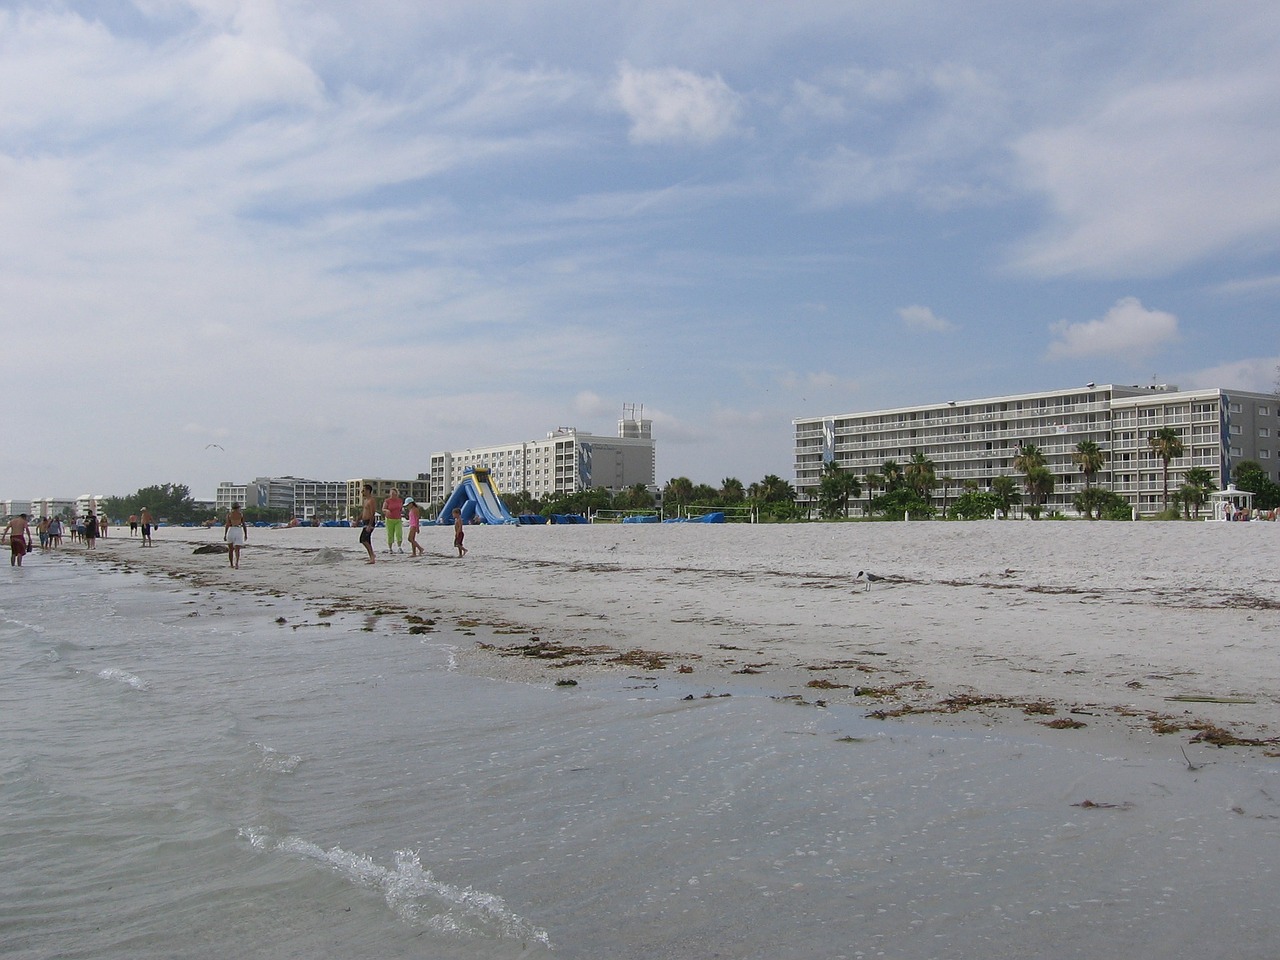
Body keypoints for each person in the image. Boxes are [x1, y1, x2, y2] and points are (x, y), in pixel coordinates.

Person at [223, 502, 248, 569]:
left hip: (231, 530)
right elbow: (244, 525)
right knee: (237, 549)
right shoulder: (241, 515)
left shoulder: (229, 515)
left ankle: (231, 564)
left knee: (230, 549)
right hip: (238, 530)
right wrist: (246, 534)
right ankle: (236, 563)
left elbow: (227, 525)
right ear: (238, 508)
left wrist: (225, 534)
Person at [359, 484, 377, 564]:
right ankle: (371, 556)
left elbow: (372, 513)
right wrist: (357, 520)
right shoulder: (365, 500)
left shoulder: (371, 500)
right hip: (365, 521)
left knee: (363, 539)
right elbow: (363, 512)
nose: (362, 492)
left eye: (363, 490)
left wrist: (370, 525)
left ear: (368, 491)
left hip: (370, 521)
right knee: (367, 540)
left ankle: (372, 556)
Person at [383, 487, 404, 554]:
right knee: (390, 534)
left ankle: (399, 547)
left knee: (399, 533)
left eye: (394, 494)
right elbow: (383, 509)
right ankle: (390, 548)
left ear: (396, 494)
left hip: (398, 519)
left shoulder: (400, 500)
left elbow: (401, 509)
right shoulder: (387, 501)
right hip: (389, 519)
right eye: (391, 493)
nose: (393, 495)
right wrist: (387, 510)